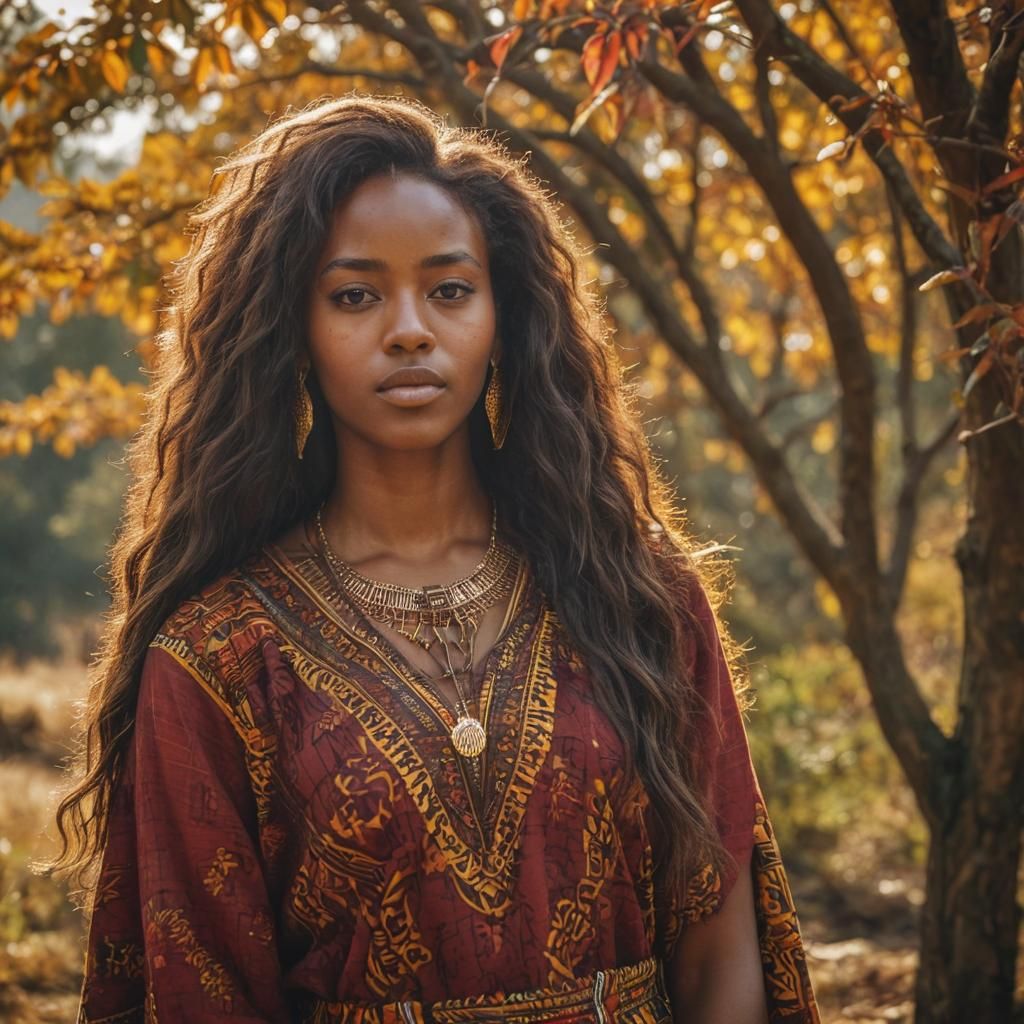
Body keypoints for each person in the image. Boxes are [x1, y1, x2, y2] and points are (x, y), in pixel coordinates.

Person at [52, 93, 818, 1023]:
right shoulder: (218, 658)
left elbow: (718, 943)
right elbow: (202, 993)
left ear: (505, 318)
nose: (410, 328)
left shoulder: (634, 593)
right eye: (355, 295)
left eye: (450, 290)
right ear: (293, 331)